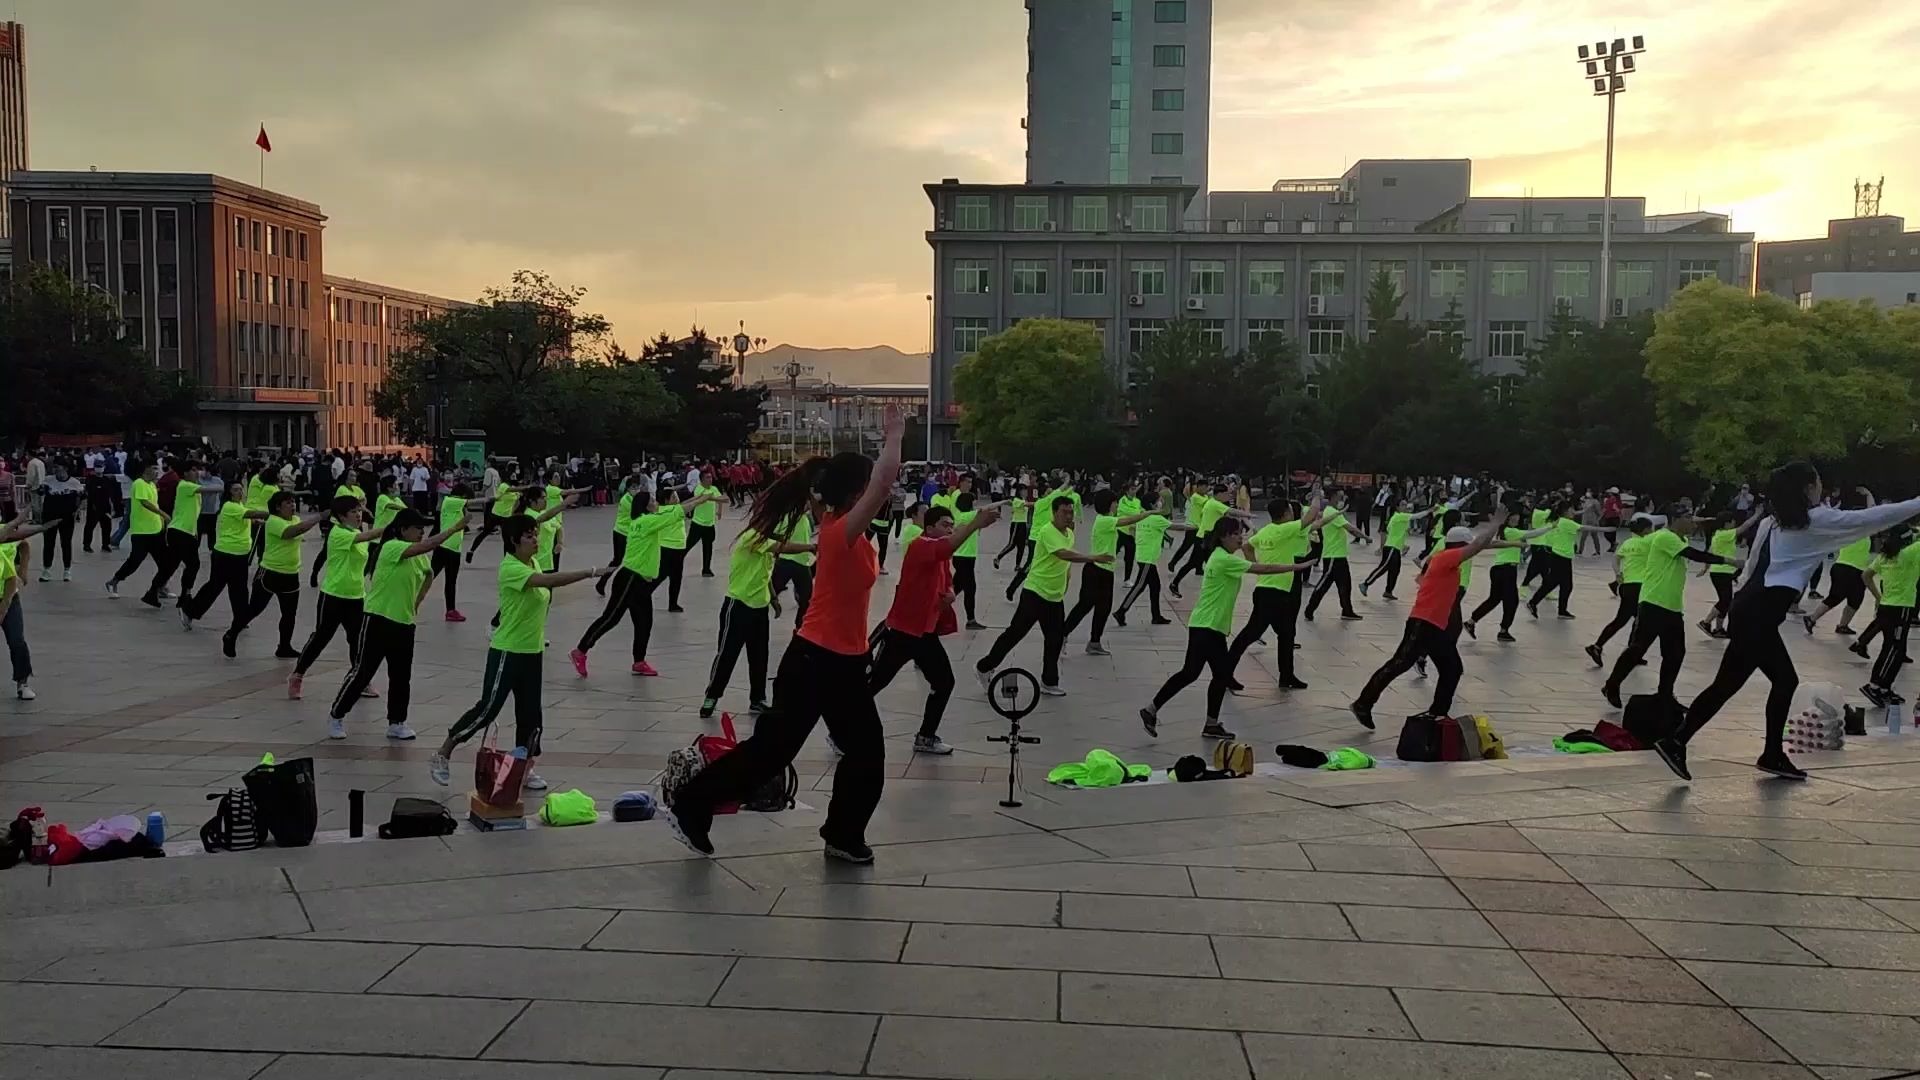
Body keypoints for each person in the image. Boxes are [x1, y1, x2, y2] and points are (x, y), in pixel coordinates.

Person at [665, 408, 907, 863]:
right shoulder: (841, 533)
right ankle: (690, 803)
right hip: (816, 658)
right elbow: (885, 478)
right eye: (871, 488)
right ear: (856, 493)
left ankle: (843, 835)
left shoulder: (848, 532)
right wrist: (893, 434)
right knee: (772, 752)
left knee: (865, 754)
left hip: (845, 662)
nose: (882, 494)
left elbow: (874, 487)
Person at [1658, 464, 1920, 782]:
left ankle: (1764, 753)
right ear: (1809, 487)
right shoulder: (1815, 520)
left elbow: (1752, 567)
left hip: (1750, 608)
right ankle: (1680, 742)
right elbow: (1874, 518)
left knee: (1770, 682)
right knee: (1735, 684)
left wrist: (1735, 608)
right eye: (1819, 483)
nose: (1822, 488)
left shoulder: (1771, 523)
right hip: (1760, 614)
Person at [429, 514, 613, 790]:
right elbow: (548, 581)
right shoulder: (510, 568)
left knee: (530, 715)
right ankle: (443, 752)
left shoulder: (534, 561)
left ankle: (524, 766)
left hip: (532, 651)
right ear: (514, 541)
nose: (535, 540)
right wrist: (590, 572)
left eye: (536, 534)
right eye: (529, 536)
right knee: (488, 709)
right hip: (507, 651)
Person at [1141, 516, 1315, 739]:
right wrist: (1297, 566)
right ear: (1223, 536)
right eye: (1235, 534)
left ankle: (1200, 722)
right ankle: (1157, 711)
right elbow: (1264, 568)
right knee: (1197, 674)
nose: (1240, 538)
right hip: (1208, 626)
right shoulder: (1224, 560)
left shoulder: (1219, 556)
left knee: (1211, 675)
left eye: (1241, 533)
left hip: (1208, 625)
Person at [1350, 501, 1508, 731]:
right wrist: (1495, 523)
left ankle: (1438, 713)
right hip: (1423, 623)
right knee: (1399, 664)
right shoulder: (1446, 557)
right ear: (1460, 545)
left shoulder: (1446, 558)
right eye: (1467, 547)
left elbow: (1481, 546)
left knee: (1452, 669)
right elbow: (1477, 546)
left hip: (1437, 627)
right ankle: (1363, 703)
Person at [329, 507, 470, 740]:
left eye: (423, 529)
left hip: (404, 623)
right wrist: (455, 527)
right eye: (417, 528)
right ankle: (337, 714)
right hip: (378, 619)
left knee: (401, 676)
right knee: (363, 672)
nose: (421, 533)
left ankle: (397, 722)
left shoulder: (418, 557)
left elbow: (429, 574)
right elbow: (427, 546)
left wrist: (418, 601)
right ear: (403, 529)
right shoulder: (392, 547)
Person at [870, 504, 999, 754]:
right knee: (873, 684)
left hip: (924, 633)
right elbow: (947, 547)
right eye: (944, 525)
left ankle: (926, 736)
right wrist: (974, 524)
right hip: (903, 631)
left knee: (944, 682)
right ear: (929, 528)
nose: (950, 530)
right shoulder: (921, 545)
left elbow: (948, 581)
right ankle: (838, 731)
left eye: (952, 526)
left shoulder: (940, 556)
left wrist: (949, 595)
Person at [975, 495, 1114, 697]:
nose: (1068, 516)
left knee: (1055, 640)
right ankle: (984, 667)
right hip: (1035, 593)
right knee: (1015, 634)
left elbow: (1065, 561)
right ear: (1054, 512)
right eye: (1064, 512)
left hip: (1054, 597)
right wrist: (1093, 557)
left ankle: (1049, 681)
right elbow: (1063, 554)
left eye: (1071, 511)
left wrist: (1066, 580)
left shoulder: (1069, 532)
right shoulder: (1047, 531)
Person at [1600, 512, 1736, 710]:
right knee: (1638, 647)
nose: (1692, 523)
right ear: (1676, 520)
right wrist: (1732, 561)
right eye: (1688, 518)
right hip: (1654, 602)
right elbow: (1695, 555)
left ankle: (1665, 695)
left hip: (1672, 606)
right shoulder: (1666, 537)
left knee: (1675, 653)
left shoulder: (1679, 538)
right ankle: (1611, 685)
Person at [570, 486, 705, 678]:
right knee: (610, 618)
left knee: (644, 622)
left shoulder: (643, 521)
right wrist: (704, 498)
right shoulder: (647, 521)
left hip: (641, 581)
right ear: (645, 506)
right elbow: (680, 510)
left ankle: (639, 662)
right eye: (652, 501)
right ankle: (580, 651)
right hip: (630, 578)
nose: (656, 503)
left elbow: (677, 509)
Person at [700, 514, 817, 719]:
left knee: (759, 655)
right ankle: (712, 696)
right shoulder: (751, 538)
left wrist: (773, 599)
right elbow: (783, 547)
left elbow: (764, 574)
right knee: (727, 654)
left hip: (759, 607)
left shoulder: (764, 545)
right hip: (738, 605)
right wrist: (810, 547)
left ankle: (757, 699)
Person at [288, 496, 385, 701]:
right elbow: (367, 537)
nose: (358, 515)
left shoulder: (357, 531)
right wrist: (390, 527)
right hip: (333, 595)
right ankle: (298, 675)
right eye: (353, 512)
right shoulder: (338, 533)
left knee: (357, 640)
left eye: (359, 511)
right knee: (321, 637)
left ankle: (360, 680)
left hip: (356, 596)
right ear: (341, 516)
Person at [1225, 495, 1325, 691]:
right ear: (1286, 513)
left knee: (1286, 635)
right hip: (1274, 594)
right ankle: (1225, 673)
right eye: (1290, 510)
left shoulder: (1266, 531)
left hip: (1272, 590)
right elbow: (1312, 515)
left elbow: (1247, 546)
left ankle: (1286, 676)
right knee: (1251, 634)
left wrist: (1256, 566)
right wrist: (1316, 496)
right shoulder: (1284, 529)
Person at [224, 491, 328, 659]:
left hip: (291, 573)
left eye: (293, 502)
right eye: (288, 503)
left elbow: (298, 528)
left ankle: (284, 646)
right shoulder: (273, 521)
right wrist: (319, 517)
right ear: (278, 507)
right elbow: (291, 533)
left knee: (289, 614)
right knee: (254, 609)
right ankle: (231, 633)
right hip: (270, 573)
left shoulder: (295, 519)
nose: (292, 505)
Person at [1063, 490, 1162, 656]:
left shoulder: (1107, 520)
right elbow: (1128, 520)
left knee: (1104, 608)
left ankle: (1094, 642)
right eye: (1114, 502)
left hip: (1106, 571)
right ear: (1108, 504)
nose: (1116, 505)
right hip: (1095, 570)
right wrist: (1149, 513)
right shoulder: (1104, 520)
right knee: (1085, 606)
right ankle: (1063, 634)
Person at [180, 480, 276, 633]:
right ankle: (189, 610)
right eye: (236, 489)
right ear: (230, 492)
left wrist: (257, 522)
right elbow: (252, 513)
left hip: (240, 555)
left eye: (241, 489)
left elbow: (249, 518)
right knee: (215, 586)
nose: (240, 492)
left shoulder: (239, 507)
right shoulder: (229, 506)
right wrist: (273, 512)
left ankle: (241, 618)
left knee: (239, 589)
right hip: (225, 554)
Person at [1856, 530, 1920, 706]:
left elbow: (1866, 575)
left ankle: (1885, 688)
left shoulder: (1884, 556)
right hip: (1901, 608)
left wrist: (1878, 596)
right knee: (1894, 649)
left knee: (1892, 648)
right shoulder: (1910, 553)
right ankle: (1874, 685)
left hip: (1886, 606)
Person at [1, 515, 61, 700]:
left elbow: (11, 580)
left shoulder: (7, 533)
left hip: (8, 597)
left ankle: (23, 682)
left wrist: (23, 569)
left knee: (16, 640)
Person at [1804, 488, 1877, 635]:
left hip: (1853, 569)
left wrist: (1869, 494)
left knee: (1856, 599)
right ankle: (1811, 618)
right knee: (1836, 596)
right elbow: (1873, 512)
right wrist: (1869, 494)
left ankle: (1843, 625)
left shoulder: (1854, 530)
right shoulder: (1858, 529)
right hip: (1847, 567)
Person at [1584, 514, 1654, 666]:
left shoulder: (1627, 543)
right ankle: (1607, 648)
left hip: (1627, 586)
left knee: (1627, 620)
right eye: (1651, 529)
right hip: (1640, 587)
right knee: (1638, 621)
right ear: (1645, 530)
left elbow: (1615, 559)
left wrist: (1618, 575)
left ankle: (1628, 652)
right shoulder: (1648, 544)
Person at [104, 461, 167, 601]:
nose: (156, 472)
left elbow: (155, 503)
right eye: (154, 469)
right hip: (142, 532)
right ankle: (113, 581)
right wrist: (164, 514)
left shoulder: (152, 485)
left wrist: (161, 522)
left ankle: (161, 588)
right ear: (146, 470)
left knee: (165, 562)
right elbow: (145, 503)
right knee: (135, 561)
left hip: (155, 530)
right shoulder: (139, 484)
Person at [1302, 490, 1368, 621]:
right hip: (1333, 556)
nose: (1342, 499)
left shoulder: (1333, 512)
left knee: (1345, 584)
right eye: (1340, 497)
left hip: (1340, 555)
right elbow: (1351, 529)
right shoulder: (1332, 513)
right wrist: (1366, 537)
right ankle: (1309, 609)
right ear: (1332, 497)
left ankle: (1347, 611)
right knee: (1324, 584)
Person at [1701, 506, 1765, 638]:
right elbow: (1744, 527)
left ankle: (1719, 629)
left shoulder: (1717, 535)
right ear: (1726, 523)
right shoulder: (1725, 534)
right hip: (1722, 572)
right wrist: (1756, 515)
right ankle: (1706, 622)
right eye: (1732, 521)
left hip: (1718, 572)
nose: (1735, 524)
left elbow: (1710, 552)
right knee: (1725, 601)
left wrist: (1706, 567)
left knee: (1725, 601)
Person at [430, 482, 487, 621]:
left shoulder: (457, 507)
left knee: (451, 581)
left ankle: (451, 610)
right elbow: (472, 502)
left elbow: (467, 517)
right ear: (462, 496)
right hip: (445, 547)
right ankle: (410, 597)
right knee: (429, 576)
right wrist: (491, 499)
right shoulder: (450, 501)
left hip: (454, 549)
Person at [35, 463, 82, 582]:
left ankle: (67, 570)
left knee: (66, 543)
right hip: (50, 517)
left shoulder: (74, 483)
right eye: (54, 468)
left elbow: (83, 497)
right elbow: (40, 492)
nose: (56, 470)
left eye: (58, 467)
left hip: (67, 518)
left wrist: (77, 511)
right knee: (48, 543)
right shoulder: (48, 480)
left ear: (65, 468)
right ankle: (46, 570)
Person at [689, 468, 724, 576]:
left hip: (709, 524)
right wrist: (717, 499)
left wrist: (719, 511)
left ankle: (706, 569)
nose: (710, 479)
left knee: (708, 547)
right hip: (698, 524)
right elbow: (708, 498)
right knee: (688, 545)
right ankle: (675, 562)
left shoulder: (714, 488)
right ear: (702, 480)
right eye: (707, 477)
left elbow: (720, 498)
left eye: (711, 477)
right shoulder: (698, 489)